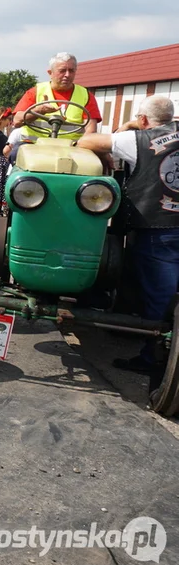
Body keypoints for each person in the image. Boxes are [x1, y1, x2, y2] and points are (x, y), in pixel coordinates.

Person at [78, 96, 179, 377]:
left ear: (144, 119)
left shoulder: (139, 138)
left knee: (160, 297)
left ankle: (152, 358)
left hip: (157, 228)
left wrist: (130, 125)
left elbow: (86, 142)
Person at [11, 52, 101, 138]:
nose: (67, 75)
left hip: (71, 148)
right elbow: (17, 121)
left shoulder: (85, 96)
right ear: (50, 73)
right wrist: (39, 110)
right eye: (62, 71)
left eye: (71, 71)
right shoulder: (35, 92)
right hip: (33, 145)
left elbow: (90, 131)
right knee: (15, 153)